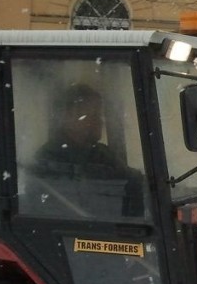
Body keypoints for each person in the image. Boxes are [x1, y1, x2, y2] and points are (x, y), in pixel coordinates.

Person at [32, 83, 144, 216]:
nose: (100, 121)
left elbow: (133, 180)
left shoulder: (102, 153)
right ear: (69, 117)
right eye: (93, 115)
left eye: (99, 115)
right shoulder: (49, 158)